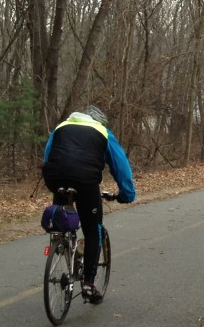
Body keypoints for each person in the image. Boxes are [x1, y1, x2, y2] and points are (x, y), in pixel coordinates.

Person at [41, 106, 136, 303]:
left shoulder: (61, 127)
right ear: (99, 122)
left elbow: (48, 156)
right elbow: (121, 166)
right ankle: (88, 285)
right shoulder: (103, 131)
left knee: (60, 217)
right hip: (85, 181)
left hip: (55, 178)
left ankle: (59, 240)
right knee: (93, 231)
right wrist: (126, 194)